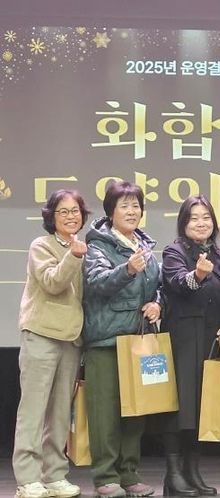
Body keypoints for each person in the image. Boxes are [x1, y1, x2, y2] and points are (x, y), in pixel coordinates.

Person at [82, 181, 162, 498]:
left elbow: (157, 286)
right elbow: (96, 283)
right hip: (106, 340)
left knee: (135, 410)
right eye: (124, 206)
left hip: (138, 340)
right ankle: (105, 476)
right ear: (110, 212)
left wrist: (158, 304)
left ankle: (129, 474)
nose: (132, 211)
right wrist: (127, 269)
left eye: (136, 205)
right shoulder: (98, 246)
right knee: (104, 413)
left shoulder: (144, 245)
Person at [12, 190, 90, 498]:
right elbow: (53, 282)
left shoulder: (83, 247)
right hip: (42, 334)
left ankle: (55, 474)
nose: (71, 216)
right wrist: (74, 256)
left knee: (59, 414)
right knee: (33, 411)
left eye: (75, 211)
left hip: (71, 339)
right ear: (51, 217)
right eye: (63, 211)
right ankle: (27, 479)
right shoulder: (41, 245)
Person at [160, 195, 220, 497]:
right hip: (183, 336)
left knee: (203, 405)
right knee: (180, 405)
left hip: (211, 337)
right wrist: (198, 275)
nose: (201, 223)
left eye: (206, 217)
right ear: (183, 223)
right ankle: (173, 475)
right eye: (194, 218)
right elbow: (177, 283)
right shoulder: (174, 251)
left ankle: (192, 471)